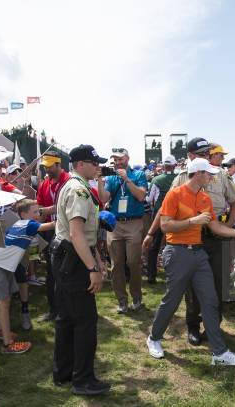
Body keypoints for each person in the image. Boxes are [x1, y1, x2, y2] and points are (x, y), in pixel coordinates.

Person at [146, 157, 235, 365]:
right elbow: (166, 226)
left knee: (210, 301)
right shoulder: (175, 194)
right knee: (172, 300)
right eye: (208, 174)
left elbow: (215, 228)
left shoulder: (205, 199)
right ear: (198, 174)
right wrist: (193, 221)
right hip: (177, 253)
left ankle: (219, 352)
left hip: (198, 254)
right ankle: (154, 338)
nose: (212, 177)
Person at [51, 144, 111, 395]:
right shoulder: (79, 191)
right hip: (73, 259)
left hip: (66, 254)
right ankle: (83, 380)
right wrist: (93, 268)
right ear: (79, 165)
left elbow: (81, 234)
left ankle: (63, 372)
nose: (98, 166)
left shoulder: (76, 186)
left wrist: (96, 258)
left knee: (66, 318)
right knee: (85, 321)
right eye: (93, 162)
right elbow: (77, 234)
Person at [0, 199, 55, 354]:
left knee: (5, 299)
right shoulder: (28, 224)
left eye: (38, 211)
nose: (38, 215)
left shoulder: (19, 224)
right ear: (23, 214)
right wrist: (65, 216)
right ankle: (7, 344)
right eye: (35, 212)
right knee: (5, 301)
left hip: (2, 266)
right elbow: (50, 225)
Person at [98, 147, 148, 313]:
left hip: (134, 222)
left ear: (127, 158)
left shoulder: (139, 174)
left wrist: (127, 179)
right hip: (115, 225)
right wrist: (99, 180)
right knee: (117, 264)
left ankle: (137, 298)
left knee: (133, 262)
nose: (118, 162)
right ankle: (122, 301)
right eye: (115, 159)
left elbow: (141, 196)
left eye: (120, 159)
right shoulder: (111, 177)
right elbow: (104, 198)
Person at [36, 151, 71, 321]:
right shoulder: (44, 184)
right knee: (51, 271)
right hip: (50, 231)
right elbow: (40, 205)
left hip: (69, 230)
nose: (47, 169)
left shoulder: (70, 181)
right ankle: (54, 310)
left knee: (68, 271)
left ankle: (69, 309)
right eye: (45, 166)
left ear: (58, 164)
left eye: (50, 166)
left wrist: (48, 209)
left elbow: (68, 204)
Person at [146, 155, 178, 284]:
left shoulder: (156, 179)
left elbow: (149, 199)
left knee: (154, 245)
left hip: (160, 214)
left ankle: (151, 275)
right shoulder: (179, 178)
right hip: (176, 215)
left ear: (163, 166)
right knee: (176, 244)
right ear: (175, 165)